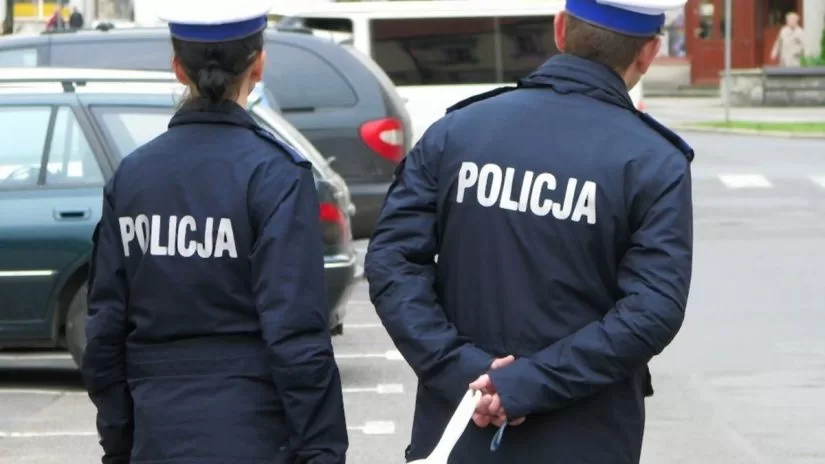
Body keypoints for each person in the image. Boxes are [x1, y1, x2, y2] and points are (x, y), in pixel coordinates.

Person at [364, 0, 693, 462]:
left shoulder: (457, 131)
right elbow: (652, 310)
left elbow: (392, 262)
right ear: (649, 53)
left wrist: (463, 369)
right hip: (587, 437)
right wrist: (525, 384)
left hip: (460, 430)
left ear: (559, 30)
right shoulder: (655, 161)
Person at [80, 0, 349, 462]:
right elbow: (296, 335)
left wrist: (121, 441)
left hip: (156, 435)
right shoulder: (275, 175)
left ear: (177, 67)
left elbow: (104, 330)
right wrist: (322, 450)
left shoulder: (132, 177)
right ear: (258, 65)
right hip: (256, 435)